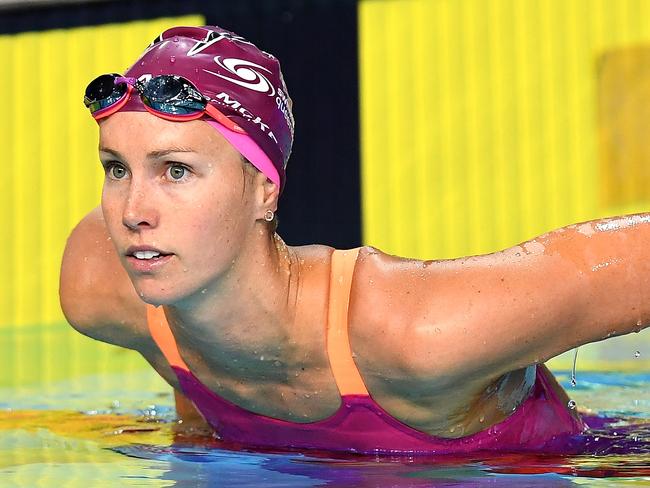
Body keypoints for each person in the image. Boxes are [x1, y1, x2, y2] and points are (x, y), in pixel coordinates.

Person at [59, 25, 650, 455]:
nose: (134, 210)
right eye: (117, 168)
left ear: (264, 189)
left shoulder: (414, 336)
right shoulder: (102, 287)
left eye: (177, 170)